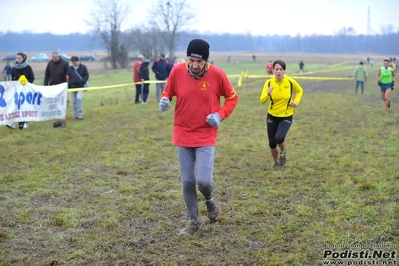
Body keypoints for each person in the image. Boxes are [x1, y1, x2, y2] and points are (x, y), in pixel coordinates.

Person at [159, 39, 238, 235]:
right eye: (191, 60)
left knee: (203, 181)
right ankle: (193, 221)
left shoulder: (217, 75)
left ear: (206, 61)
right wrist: (165, 99)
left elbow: (232, 98)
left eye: (199, 62)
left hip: (205, 134)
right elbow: (169, 90)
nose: (194, 65)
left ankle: (210, 200)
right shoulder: (177, 71)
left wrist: (219, 115)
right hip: (183, 132)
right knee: (187, 182)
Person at [260, 60, 304, 169]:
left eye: (281, 69)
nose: (279, 71)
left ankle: (283, 152)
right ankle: (276, 162)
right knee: (272, 143)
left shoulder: (290, 82)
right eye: (276, 69)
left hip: (286, 115)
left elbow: (300, 91)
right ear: (273, 70)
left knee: (279, 138)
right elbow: (262, 100)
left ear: (284, 70)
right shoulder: (269, 83)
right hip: (272, 115)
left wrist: (296, 101)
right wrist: (267, 93)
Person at [6, 52, 35, 130]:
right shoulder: (14, 68)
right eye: (17, 58)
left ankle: (24, 122)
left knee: (24, 106)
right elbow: (12, 79)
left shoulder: (28, 67)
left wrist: (26, 83)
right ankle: (12, 122)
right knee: (15, 106)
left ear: (23, 58)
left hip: (25, 91)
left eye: (19, 58)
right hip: (16, 91)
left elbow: (32, 78)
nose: (18, 59)